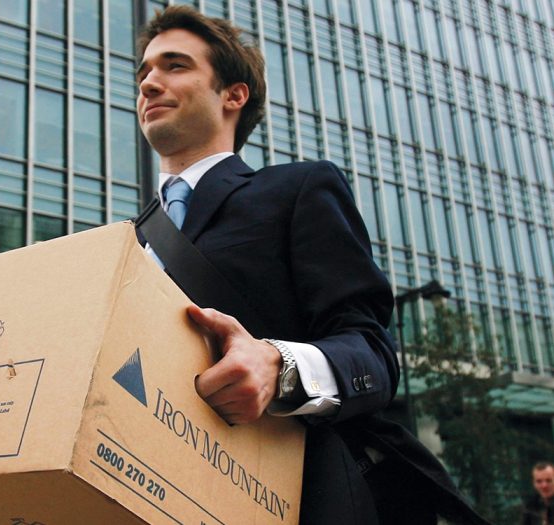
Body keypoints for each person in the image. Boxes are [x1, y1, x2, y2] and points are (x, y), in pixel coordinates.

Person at [134, 6, 488, 525]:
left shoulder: (297, 189)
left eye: (175, 65)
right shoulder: (126, 241)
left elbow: (372, 354)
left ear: (234, 95)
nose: (148, 83)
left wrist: (277, 367)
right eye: (144, 71)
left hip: (281, 496)